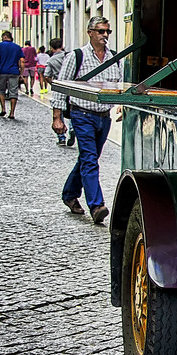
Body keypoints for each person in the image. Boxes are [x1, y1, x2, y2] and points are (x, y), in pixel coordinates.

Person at [50, 17, 121, 224]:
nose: (104, 35)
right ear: (90, 32)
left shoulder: (115, 58)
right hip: (82, 115)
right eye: (100, 31)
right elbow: (61, 86)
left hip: (103, 117)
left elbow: (119, 83)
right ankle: (97, 205)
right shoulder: (77, 56)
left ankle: (69, 194)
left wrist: (122, 104)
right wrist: (57, 117)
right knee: (89, 159)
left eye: (107, 31)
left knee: (88, 159)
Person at [0, 29, 25, 119]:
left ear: (5, 37)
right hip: (14, 71)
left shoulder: (0, 45)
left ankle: (3, 108)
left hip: (3, 71)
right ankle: (12, 112)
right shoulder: (17, 47)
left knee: (1, 90)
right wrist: (21, 72)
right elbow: (22, 61)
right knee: (13, 92)